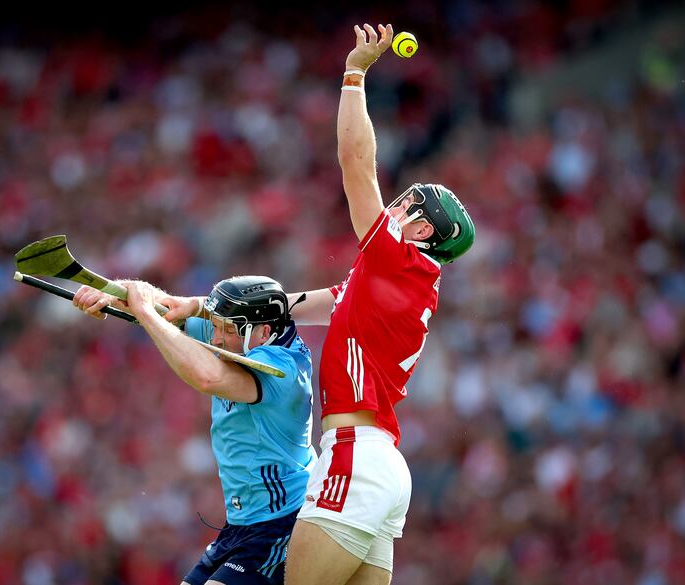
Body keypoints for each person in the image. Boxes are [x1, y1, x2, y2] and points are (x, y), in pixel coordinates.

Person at [281, 23, 476, 585]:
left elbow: (354, 163)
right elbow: (300, 305)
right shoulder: (392, 282)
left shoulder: (401, 262)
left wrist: (354, 75)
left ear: (420, 231)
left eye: (408, 203)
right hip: (382, 465)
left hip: (352, 454)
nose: (394, 204)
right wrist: (188, 308)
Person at [72, 275, 316, 585]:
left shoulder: (284, 369)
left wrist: (145, 312)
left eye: (226, 330)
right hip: (241, 525)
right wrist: (113, 293)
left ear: (264, 331)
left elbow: (207, 377)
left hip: (280, 523)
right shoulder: (240, 335)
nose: (214, 339)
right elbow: (167, 312)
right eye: (215, 326)